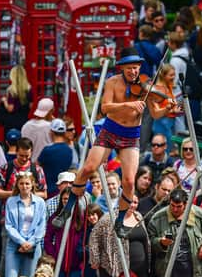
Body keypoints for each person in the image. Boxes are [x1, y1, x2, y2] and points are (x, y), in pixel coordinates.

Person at [55, 48, 165, 238]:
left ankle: (120, 221)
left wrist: (170, 108)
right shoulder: (112, 82)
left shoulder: (146, 85)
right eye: (130, 68)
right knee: (89, 168)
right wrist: (128, 104)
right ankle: (68, 208)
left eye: (136, 68)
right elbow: (105, 108)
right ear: (123, 68)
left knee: (130, 181)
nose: (133, 72)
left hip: (131, 135)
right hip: (110, 130)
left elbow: (156, 113)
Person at [147, 189, 202, 277]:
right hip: (170, 276)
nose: (175, 209)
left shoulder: (200, 215)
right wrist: (161, 242)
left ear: (186, 204)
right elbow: (150, 241)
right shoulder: (158, 218)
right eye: (172, 206)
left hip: (195, 275)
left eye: (179, 206)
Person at [90, 195, 150, 277]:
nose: (132, 205)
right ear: (122, 202)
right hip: (117, 270)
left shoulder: (138, 216)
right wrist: (95, 260)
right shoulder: (109, 218)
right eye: (130, 202)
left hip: (140, 271)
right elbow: (94, 237)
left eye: (135, 203)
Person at [4, 171, 46, 277]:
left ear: (32, 184)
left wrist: (31, 243)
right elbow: (9, 225)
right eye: (21, 183)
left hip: (34, 244)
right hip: (14, 244)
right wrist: (22, 242)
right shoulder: (11, 201)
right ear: (17, 185)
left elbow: (41, 226)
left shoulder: (40, 202)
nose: (24, 186)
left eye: (27, 183)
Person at [37, 118, 73, 197]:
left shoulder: (47, 150)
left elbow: (36, 167)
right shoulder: (69, 150)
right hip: (64, 190)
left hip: (49, 191)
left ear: (52, 132)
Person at [0, 64, 32, 134]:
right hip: (24, 120)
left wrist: (4, 100)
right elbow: (31, 106)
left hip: (12, 122)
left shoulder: (11, 90)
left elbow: (10, 109)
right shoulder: (29, 89)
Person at [21, 97, 54, 163]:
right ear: (50, 112)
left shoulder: (26, 125)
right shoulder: (50, 127)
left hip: (28, 164)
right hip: (45, 164)